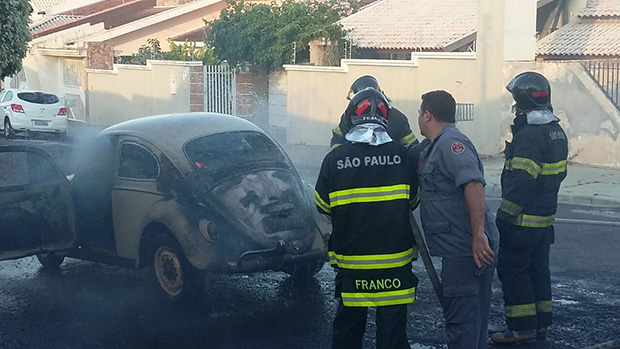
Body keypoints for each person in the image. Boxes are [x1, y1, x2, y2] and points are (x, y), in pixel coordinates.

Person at [315, 88, 419, 349]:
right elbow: (415, 201)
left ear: (352, 117)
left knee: (348, 328)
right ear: (386, 118)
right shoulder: (403, 156)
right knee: (393, 333)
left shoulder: (334, 159)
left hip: (352, 262)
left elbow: (322, 206)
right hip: (395, 262)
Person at [415, 90, 498, 348]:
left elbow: (472, 183)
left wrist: (477, 235)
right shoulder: (434, 145)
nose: (418, 118)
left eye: (420, 113)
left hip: (465, 248)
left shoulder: (452, 144)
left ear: (427, 115)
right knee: (471, 318)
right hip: (462, 246)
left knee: (462, 319)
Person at [490, 72, 568, 344]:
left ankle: (522, 328)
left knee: (513, 270)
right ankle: (541, 324)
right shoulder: (556, 131)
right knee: (538, 269)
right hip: (544, 220)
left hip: (521, 222)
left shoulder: (530, 135)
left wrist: (505, 218)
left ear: (522, 100)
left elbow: (520, 181)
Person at [330, 75, 418, 149]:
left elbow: (411, 146)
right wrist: (340, 156)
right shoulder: (348, 116)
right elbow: (337, 139)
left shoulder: (396, 118)